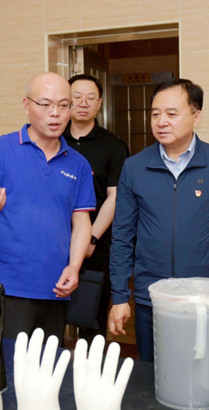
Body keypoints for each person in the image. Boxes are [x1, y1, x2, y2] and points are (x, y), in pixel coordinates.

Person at [108, 78, 209, 362]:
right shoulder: (135, 167)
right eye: (155, 113)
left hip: (207, 296)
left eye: (171, 113)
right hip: (152, 296)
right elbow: (122, 235)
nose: (161, 121)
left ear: (196, 116)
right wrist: (120, 296)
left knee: (205, 373)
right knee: (154, 374)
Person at [0, 72, 95, 344]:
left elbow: (81, 221)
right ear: (27, 105)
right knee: (8, 363)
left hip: (56, 287)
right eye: (45, 105)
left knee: (48, 364)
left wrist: (74, 266)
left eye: (63, 105)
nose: (55, 113)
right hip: (4, 286)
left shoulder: (79, 164)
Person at [62, 74, 129, 342]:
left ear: (99, 103)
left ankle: (90, 368)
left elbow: (115, 197)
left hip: (97, 247)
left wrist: (91, 238)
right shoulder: (53, 139)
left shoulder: (113, 146)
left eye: (90, 98)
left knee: (91, 320)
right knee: (51, 319)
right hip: (55, 244)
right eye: (76, 97)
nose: (83, 103)